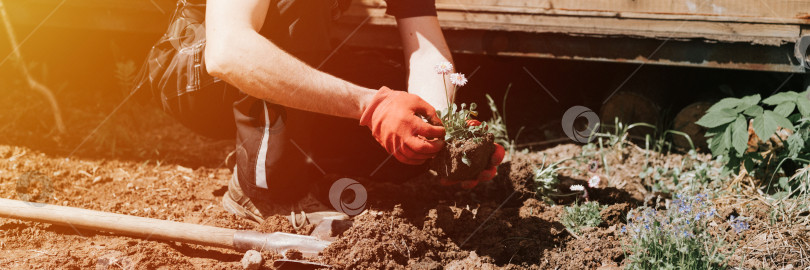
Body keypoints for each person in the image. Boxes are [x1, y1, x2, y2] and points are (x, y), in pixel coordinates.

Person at [170, 0, 504, 226]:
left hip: (265, 67)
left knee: (403, 152)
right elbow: (227, 51)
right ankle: (268, 191)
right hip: (194, 76)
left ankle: (278, 154)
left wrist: (438, 129)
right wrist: (371, 106)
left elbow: (425, 47)